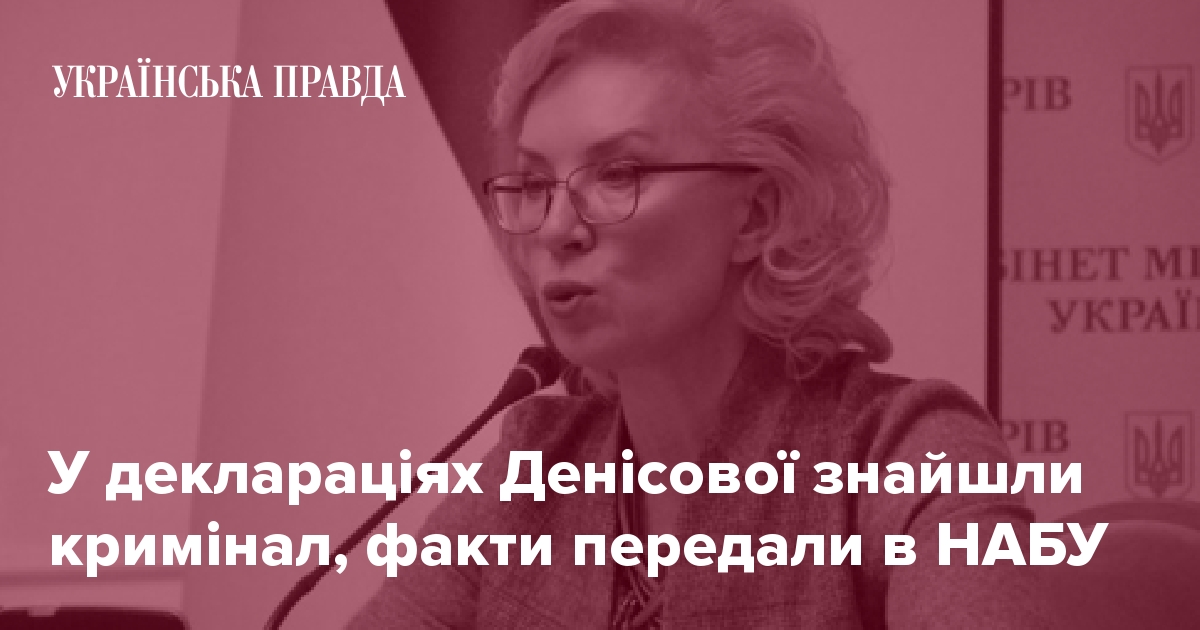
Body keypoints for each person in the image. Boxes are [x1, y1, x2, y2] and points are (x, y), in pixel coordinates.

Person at [351, 0, 1047, 627]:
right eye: (535, 183)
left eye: (619, 174)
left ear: (758, 213)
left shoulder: (908, 453)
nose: (557, 228)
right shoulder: (533, 469)